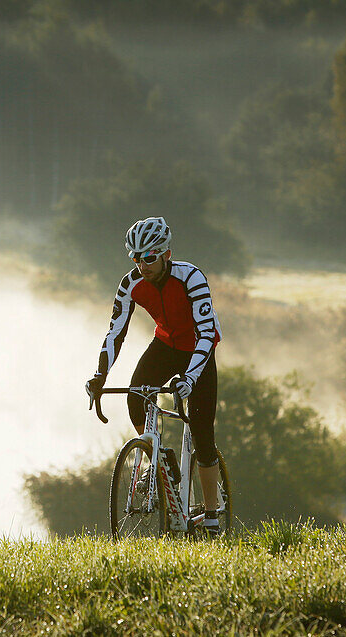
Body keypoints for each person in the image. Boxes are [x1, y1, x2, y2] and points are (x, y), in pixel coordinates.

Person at [84, 216, 224, 534]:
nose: (142, 265)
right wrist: (99, 375)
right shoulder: (130, 283)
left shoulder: (191, 278)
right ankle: (162, 458)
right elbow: (115, 332)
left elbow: (206, 333)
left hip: (198, 349)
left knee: (202, 432)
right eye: (136, 258)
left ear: (165, 254)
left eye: (149, 257)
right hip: (164, 344)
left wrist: (189, 378)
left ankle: (213, 513)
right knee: (136, 396)